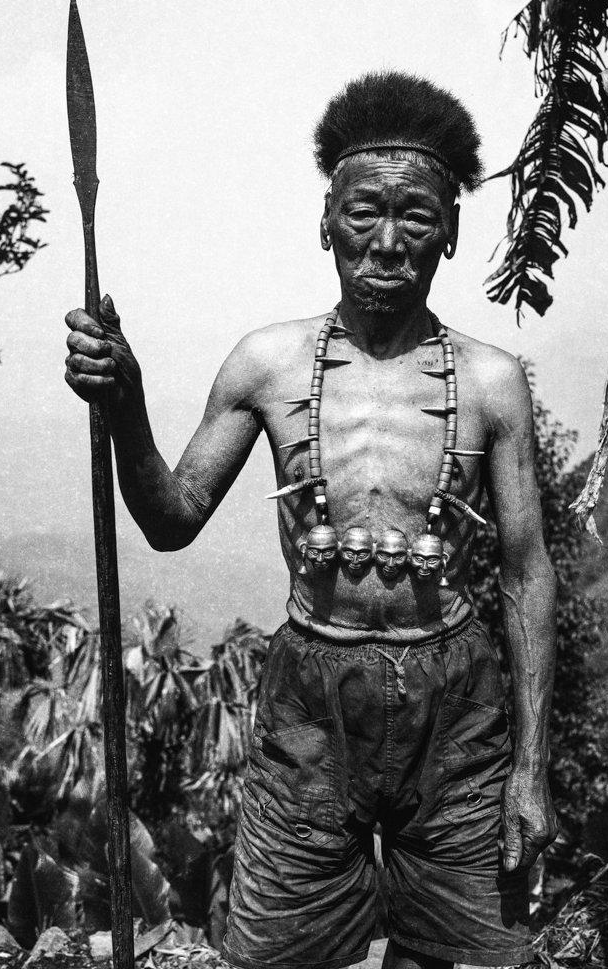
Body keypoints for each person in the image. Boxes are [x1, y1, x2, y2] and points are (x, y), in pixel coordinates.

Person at [64, 71, 558, 969]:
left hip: (456, 713)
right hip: (308, 708)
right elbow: (172, 517)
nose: (388, 241)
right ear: (326, 221)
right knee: (277, 953)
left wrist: (529, 769)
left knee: (467, 953)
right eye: (364, 211)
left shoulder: (492, 382)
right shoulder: (268, 363)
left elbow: (528, 572)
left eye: (416, 215)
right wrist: (126, 406)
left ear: (450, 229)